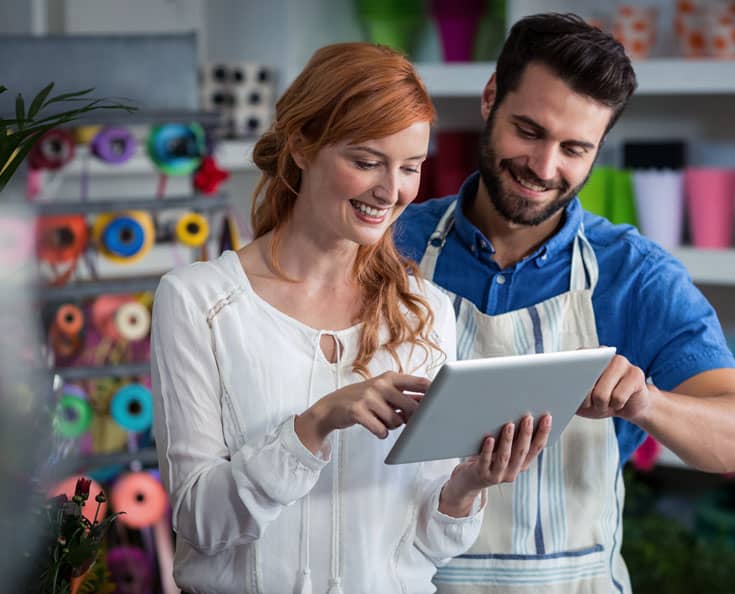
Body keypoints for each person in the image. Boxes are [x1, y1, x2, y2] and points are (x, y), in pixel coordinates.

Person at [394, 13, 735, 593]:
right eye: (529, 131)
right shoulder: (394, 246)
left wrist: (646, 403)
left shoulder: (635, 276)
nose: (544, 168)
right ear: (491, 97)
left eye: (574, 147)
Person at [150, 43, 549, 594]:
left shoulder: (424, 310)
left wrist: (467, 486)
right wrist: (314, 425)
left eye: (410, 168)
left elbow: (427, 546)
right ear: (300, 147)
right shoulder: (199, 301)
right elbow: (202, 521)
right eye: (366, 162)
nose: (391, 191)